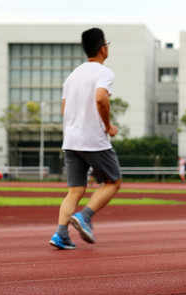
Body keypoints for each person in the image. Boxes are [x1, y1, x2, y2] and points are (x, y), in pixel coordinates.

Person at [49, 28, 122, 250]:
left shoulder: (72, 76)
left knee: (75, 190)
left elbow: (64, 108)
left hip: (71, 140)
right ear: (102, 48)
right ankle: (85, 216)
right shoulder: (104, 73)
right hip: (93, 140)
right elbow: (101, 98)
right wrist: (107, 125)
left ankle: (61, 234)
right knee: (113, 182)